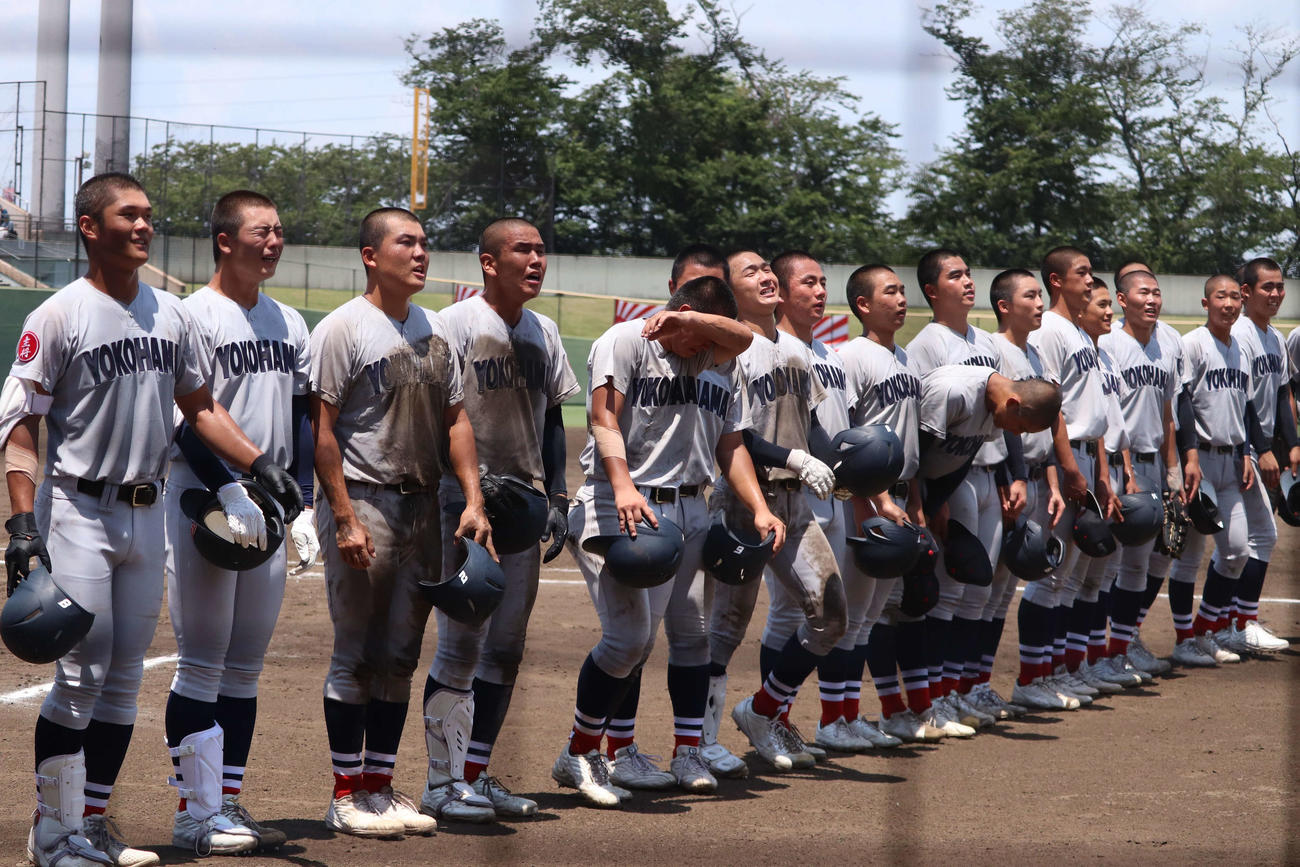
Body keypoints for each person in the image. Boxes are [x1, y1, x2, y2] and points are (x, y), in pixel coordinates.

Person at [1, 172, 302, 867]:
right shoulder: (59, 314)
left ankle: (94, 823)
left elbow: (198, 405)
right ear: (89, 227)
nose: (143, 225)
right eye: (127, 215)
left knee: (124, 681)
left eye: (147, 216)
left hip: (146, 513)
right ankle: (52, 833)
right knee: (79, 677)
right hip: (78, 508)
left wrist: (258, 466)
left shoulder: (171, 313)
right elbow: (21, 429)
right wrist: (22, 526)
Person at [554, 275, 783, 806]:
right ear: (673, 312)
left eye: (708, 338)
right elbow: (602, 417)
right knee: (629, 639)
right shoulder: (626, 340)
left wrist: (760, 507)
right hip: (623, 502)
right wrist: (623, 486)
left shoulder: (715, 358)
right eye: (695, 337)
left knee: (694, 636)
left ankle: (686, 751)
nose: (704, 351)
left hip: (693, 507)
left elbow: (731, 440)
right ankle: (581, 752)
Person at [310, 207, 492, 838]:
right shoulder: (343, 329)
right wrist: (341, 516)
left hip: (424, 508)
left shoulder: (436, 327)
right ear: (370, 255)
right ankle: (343, 794)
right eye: (406, 242)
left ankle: (380, 788)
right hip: (365, 502)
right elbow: (323, 431)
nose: (421, 253)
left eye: (424, 242)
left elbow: (457, 421)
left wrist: (472, 499)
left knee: (401, 655)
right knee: (356, 655)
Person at [161, 190, 315, 855]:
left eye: (280, 231)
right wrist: (231, 487)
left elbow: (304, 418)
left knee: (245, 667)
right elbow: (188, 418)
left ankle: (226, 799)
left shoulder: (290, 321)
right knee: (201, 662)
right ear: (226, 240)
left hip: (270, 505)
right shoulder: (192, 316)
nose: (275, 241)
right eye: (262, 231)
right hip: (203, 499)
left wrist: (303, 500)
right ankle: (194, 811)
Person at [420, 218, 580, 822]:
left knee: (507, 648)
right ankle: (441, 782)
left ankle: (476, 773)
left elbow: (552, 421)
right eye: (523, 250)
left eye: (542, 250)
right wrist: (468, 497)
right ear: (490, 262)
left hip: (524, 507)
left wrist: (558, 498)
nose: (537, 260)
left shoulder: (546, 330)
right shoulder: (454, 325)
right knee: (462, 642)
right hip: (462, 507)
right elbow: (440, 414)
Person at [706, 249, 850, 773]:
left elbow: (809, 423)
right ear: (728, 289)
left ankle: (763, 710)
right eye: (751, 272)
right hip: (739, 502)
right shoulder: (728, 348)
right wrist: (795, 457)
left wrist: (839, 466)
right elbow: (734, 437)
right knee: (725, 627)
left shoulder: (793, 349)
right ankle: (698, 742)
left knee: (832, 614)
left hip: (793, 503)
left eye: (769, 269)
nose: (766, 276)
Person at [766, 251, 902, 753]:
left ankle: (823, 717)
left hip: (835, 499)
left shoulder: (830, 355)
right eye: (808, 283)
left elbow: (841, 441)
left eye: (824, 283)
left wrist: (868, 495)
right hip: (785, 498)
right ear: (780, 291)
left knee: (834, 610)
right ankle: (772, 719)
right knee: (787, 614)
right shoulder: (768, 349)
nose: (821, 292)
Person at [905, 249, 1026, 730]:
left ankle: (959, 689)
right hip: (947, 478)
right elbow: (920, 433)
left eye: (969, 273)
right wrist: (929, 501)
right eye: (956, 276)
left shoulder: (986, 343)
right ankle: (933, 697)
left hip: (985, 472)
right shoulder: (927, 346)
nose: (968, 282)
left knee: (976, 590)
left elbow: (1007, 415)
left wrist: (1011, 475)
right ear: (933, 291)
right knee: (950, 592)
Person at [838, 265, 945, 743]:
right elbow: (844, 443)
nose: (902, 299)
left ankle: (868, 714)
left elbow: (911, 445)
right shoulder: (852, 358)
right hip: (869, 498)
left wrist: (916, 500)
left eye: (903, 291)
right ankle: (841, 716)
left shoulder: (904, 358)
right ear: (864, 305)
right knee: (860, 615)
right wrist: (873, 499)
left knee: (887, 609)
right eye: (891, 292)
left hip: (901, 496)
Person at [1024, 246, 1119, 707]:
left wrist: (1099, 470)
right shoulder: (1053, 332)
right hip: (1064, 465)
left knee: (1068, 578)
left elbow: (1094, 412)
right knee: (1050, 574)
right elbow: (1051, 409)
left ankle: (1058, 669)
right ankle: (1032, 678)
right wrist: (1069, 470)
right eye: (1082, 273)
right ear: (1057, 281)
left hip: (1083, 460)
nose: (1090, 279)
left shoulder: (1079, 334)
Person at [986, 269, 1067, 713]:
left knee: (1005, 588)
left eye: (1041, 295)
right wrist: (1007, 481)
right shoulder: (992, 350)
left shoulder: (1036, 355)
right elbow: (998, 431)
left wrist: (1053, 483)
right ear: (1004, 305)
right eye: (1031, 295)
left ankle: (984, 683)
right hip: (1007, 483)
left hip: (1037, 479)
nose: (1040, 303)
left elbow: (1047, 428)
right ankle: (969, 684)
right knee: (990, 587)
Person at [1095, 269, 1182, 678]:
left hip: (1153, 465)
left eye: (1157, 293)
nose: (1152, 299)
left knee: (1144, 561)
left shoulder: (1162, 348)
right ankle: (1106, 651)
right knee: (1113, 564)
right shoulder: (1109, 344)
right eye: (1143, 292)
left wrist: (1173, 468)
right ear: (1122, 300)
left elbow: (1167, 415)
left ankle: (1124, 643)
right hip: (1120, 466)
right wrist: (1127, 470)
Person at [1167, 275, 1257, 666]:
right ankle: (1185, 639)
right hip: (1199, 461)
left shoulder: (1240, 347)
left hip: (1232, 459)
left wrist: (1248, 452)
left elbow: (1246, 409)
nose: (1229, 304)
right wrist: (1187, 458)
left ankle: (1207, 630)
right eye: (1221, 296)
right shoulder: (1192, 344)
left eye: (1235, 297)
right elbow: (1182, 404)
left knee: (1237, 550)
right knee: (1188, 554)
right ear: (1206, 303)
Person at [1220, 257, 1297, 653]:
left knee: (1252, 538)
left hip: (1263, 451)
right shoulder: (1244, 335)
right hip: (1246, 452)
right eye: (1267, 287)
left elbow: (1284, 394)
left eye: (1280, 286)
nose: (1276, 294)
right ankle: (1239, 620)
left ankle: (1234, 620)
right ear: (1246, 292)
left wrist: (1294, 442)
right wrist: (1262, 450)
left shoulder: (1275, 338)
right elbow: (1245, 399)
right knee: (1258, 536)